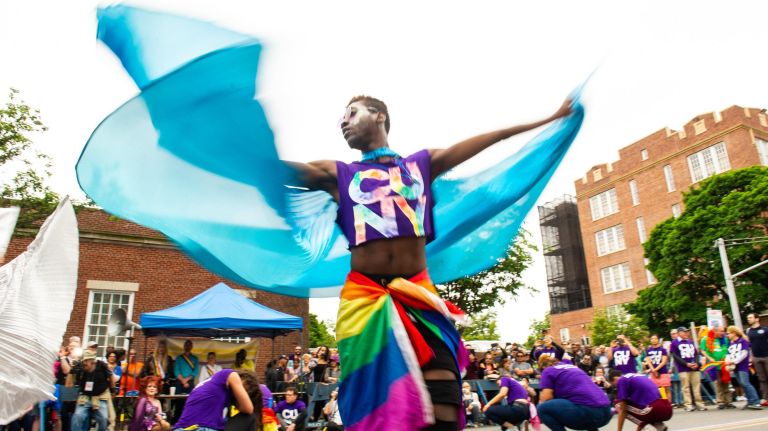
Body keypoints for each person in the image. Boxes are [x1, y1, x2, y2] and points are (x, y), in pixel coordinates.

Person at [289, 95, 572, 431]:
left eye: (351, 113)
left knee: (445, 398)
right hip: (365, 302)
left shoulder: (421, 165)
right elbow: (271, 170)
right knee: (375, 406)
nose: (343, 122)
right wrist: (232, 154)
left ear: (379, 115)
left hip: (419, 298)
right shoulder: (338, 173)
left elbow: (493, 138)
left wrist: (549, 119)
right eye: (342, 118)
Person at [536, 356, 611, 431]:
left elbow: (547, 398)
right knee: (583, 401)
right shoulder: (573, 368)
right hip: (607, 411)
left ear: (543, 367)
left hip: (589, 413)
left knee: (542, 408)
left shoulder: (548, 370)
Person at [173, 369, 262, 431]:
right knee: (250, 417)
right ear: (243, 378)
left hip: (183, 428)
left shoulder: (212, 383)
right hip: (200, 428)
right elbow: (248, 408)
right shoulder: (230, 374)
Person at [608, 370, 672, 431]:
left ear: (615, 378)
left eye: (614, 385)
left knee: (618, 404)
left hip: (654, 408)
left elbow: (623, 410)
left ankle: (648, 427)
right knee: (642, 409)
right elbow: (640, 413)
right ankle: (659, 425)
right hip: (667, 408)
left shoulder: (621, 380)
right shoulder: (636, 376)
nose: (616, 387)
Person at [70, 351, 112, 431]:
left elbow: (111, 376)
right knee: (78, 415)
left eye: (86, 361)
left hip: (100, 397)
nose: (84, 363)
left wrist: (112, 391)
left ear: (92, 361)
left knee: (104, 418)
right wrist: (72, 371)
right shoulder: (81, 368)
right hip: (85, 397)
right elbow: (70, 384)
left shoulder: (102, 366)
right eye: (83, 361)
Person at [725, 326, 763, 410]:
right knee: (742, 384)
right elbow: (728, 354)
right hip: (735, 367)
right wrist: (727, 361)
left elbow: (744, 353)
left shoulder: (743, 341)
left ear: (734, 333)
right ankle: (750, 401)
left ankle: (756, 402)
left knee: (745, 383)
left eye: (728, 333)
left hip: (742, 365)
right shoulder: (731, 343)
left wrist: (734, 361)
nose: (727, 335)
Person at [669, 327, 705, 411]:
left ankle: (699, 403)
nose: (686, 333)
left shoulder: (690, 341)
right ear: (679, 333)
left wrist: (696, 363)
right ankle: (688, 404)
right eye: (684, 332)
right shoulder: (674, 343)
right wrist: (686, 364)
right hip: (683, 368)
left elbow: (696, 354)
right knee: (686, 387)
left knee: (696, 386)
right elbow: (675, 356)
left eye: (687, 332)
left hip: (694, 367)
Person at [699, 326, 732, 409]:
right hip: (714, 365)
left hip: (724, 364)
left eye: (723, 331)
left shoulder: (725, 339)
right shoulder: (706, 339)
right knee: (718, 383)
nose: (722, 333)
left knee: (726, 382)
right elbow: (702, 350)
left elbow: (728, 349)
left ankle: (728, 401)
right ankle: (720, 402)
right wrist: (710, 358)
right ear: (715, 331)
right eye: (720, 331)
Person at [746, 312, 768, 406]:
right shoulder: (748, 331)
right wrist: (750, 356)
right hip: (756, 357)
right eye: (748, 318)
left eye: (750, 317)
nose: (749, 319)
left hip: (766, 356)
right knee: (762, 378)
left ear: (757, 319)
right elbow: (749, 345)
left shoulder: (765, 329)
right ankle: (765, 398)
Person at [643, 335, 671, 400]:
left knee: (666, 390)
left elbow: (664, 361)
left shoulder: (663, 349)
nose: (653, 340)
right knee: (655, 390)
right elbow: (648, 361)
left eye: (655, 338)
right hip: (653, 373)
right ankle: (659, 405)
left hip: (663, 372)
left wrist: (655, 370)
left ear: (658, 340)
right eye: (652, 339)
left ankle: (668, 405)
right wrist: (653, 370)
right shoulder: (648, 350)